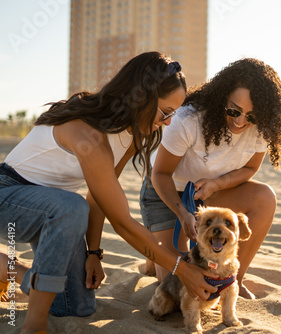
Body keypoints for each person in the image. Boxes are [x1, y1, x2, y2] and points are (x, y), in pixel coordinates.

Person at [0, 51, 218, 334]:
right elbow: (123, 223)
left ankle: (8, 268)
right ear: (141, 97)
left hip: (51, 214)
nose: (167, 122)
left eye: (173, 115)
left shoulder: (129, 136)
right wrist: (183, 269)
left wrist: (94, 253)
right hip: (8, 196)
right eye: (165, 113)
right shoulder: (85, 132)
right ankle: (33, 326)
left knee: (76, 307)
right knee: (70, 206)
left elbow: (98, 199)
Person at [139, 58, 281, 299]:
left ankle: (234, 280)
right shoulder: (187, 119)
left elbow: (250, 169)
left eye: (251, 117)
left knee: (265, 197)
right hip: (165, 192)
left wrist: (217, 184)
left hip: (209, 194)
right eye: (233, 110)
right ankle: (156, 254)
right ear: (220, 97)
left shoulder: (261, 127)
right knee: (179, 285)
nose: (240, 122)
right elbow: (159, 174)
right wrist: (182, 213)